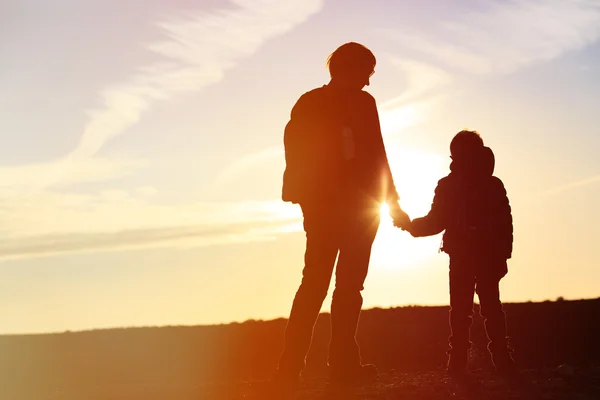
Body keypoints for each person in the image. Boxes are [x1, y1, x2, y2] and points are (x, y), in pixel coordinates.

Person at [274, 42, 410, 388]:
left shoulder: (320, 102)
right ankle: (310, 367)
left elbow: (374, 154)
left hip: (351, 211)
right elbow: (375, 154)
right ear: (349, 69)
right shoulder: (321, 104)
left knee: (331, 286)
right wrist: (391, 203)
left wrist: (390, 202)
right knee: (330, 286)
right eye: (367, 72)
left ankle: (306, 368)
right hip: (340, 210)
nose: (368, 82)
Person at [402, 130, 516, 375]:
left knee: (468, 309)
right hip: (479, 256)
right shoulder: (488, 184)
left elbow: (437, 221)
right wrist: (503, 256)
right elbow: (505, 223)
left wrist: (412, 226)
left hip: (473, 256)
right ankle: (489, 360)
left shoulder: (453, 184)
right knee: (484, 308)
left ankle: (463, 362)